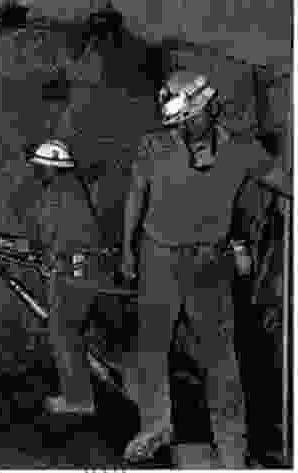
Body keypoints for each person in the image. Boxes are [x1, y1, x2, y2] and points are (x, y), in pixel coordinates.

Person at [120, 70, 292, 467]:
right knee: (152, 346)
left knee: (220, 358)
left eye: (191, 119)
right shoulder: (153, 146)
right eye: (178, 122)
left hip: (209, 262)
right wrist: (129, 251)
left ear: (211, 107)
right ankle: (155, 425)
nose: (186, 129)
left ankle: (232, 447)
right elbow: (136, 195)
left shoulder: (243, 150)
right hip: (158, 254)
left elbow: (285, 182)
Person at [22, 139, 116, 416]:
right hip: (77, 265)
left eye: (40, 167)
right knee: (67, 332)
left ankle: (78, 399)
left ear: (53, 168)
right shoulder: (70, 188)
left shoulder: (58, 192)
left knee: (64, 332)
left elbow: (48, 234)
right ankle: (79, 395)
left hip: (75, 267)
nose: (36, 172)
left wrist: (46, 256)